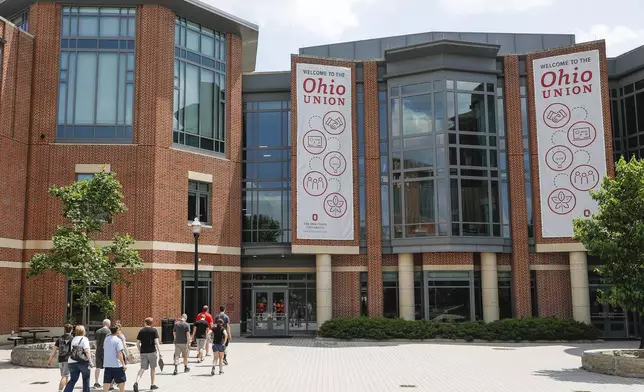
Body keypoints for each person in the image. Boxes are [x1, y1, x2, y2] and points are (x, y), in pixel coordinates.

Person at [134, 317, 161, 392]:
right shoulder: (154, 330)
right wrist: (160, 352)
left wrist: (140, 350)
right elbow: (156, 342)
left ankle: (136, 382)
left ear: (145, 323)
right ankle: (152, 385)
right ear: (151, 323)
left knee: (142, 368)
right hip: (152, 352)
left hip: (143, 352)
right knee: (153, 369)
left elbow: (137, 343)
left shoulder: (141, 331)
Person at [63, 325, 93, 392]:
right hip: (83, 362)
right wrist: (90, 361)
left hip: (72, 361)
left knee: (73, 379)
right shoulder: (84, 339)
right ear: (84, 331)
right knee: (86, 379)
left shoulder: (73, 339)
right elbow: (87, 351)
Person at [47, 324, 73, 392]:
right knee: (64, 376)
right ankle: (60, 390)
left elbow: (54, 350)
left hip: (60, 359)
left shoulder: (60, 338)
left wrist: (50, 359)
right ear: (71, 330)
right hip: (68, 359)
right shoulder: (72, 338)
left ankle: (67, 390)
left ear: (64, 329)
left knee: (66, 376)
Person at [102, 326, 127, 392]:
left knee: (106, 382)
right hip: (117, 365)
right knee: (122, 382)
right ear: (117, 331)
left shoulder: (106, 339)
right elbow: (119, 354)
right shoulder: (118, 340)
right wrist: (123, 364)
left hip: (107, 364)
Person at [93, 319, 111, 389]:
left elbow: (95, 342)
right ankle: (107, 382)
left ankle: (96, 382)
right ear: (108, 324)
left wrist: (97, 348)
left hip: (98, 351)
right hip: (106, 351)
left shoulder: (98, 331)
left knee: (97, 367)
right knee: (108, 367)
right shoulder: (109, 331)